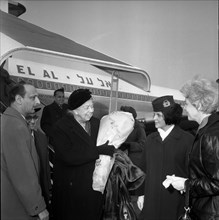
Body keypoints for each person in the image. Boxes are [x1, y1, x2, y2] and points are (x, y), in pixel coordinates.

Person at [51, 88, 115, 220]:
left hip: (94, 188)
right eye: (86, 108)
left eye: (92, 106)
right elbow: (68, 156)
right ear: (75, 110)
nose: (91, 110)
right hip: (71, 191)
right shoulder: (61, 127)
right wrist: (98, 152)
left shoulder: (97, 123)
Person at [168, 78, 219, 219]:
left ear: (200, 105)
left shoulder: (211, 135)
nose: (184, 108)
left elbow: (217, 181)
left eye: (187, 104)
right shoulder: (206, 129)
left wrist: (185, 184)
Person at [137, 95, 194, 220]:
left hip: (174, 201)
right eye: (154, 114)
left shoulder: (187, 140)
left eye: (158, 115)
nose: (154, 118)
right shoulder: (150, 139)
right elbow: (142, 169)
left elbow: (191, 172)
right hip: (151, 200)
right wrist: (141, 194)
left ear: (168, 116)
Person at [1, 82, 49, 220]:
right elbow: (22, 172)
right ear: (18, 100)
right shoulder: (16, 127)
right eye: (33, 97)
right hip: (17, 206)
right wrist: (39, 207)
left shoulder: (9, 121)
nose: (38, 102)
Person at [120, 105, 147, 218]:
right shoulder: (122, 126)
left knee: (133, 194)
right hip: (124, 163)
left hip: (134, 164)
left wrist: (128, 145)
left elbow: (143, 144)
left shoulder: (138, 128)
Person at [26, 108, 51, 209]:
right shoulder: (17, 138)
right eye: (29, 117)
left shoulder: (41, 137)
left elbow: (45, 164)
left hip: (41, 189)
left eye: (34, 117)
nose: (32, 121)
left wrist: (48, 186)